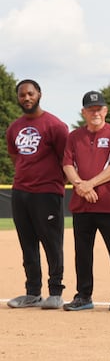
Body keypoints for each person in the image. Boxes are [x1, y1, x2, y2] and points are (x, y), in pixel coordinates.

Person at [62, 91, 110, 311]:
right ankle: (83, 296)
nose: (96, 112)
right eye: (91, 109)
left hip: (109, 204)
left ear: (106, 110)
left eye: (99, 108)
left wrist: (88, 184)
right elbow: (67, 164)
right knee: (82, 253)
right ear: (84, 112)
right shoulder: (74, 136)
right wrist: (80, 186)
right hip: (82, 204)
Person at [5, 79, 69, 310]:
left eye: (30, 93)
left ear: (39, 94)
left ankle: (55, 291)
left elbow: (66, 161)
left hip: (48, 192)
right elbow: (16, 157)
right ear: (18, 98)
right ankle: (32, 292)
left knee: (52, 242)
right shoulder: (14, 128)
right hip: (21, 192)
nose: (27, 98)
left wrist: (51, 182)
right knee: (27, 243)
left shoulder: (56, 126)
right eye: (22, 95)